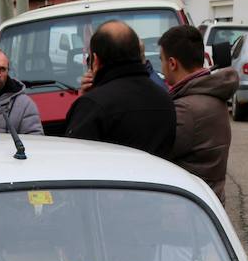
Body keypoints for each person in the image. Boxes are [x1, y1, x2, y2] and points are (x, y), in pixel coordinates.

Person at [63, 20, 175, 158]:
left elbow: (75, 158)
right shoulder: (165, 99)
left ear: (96, 60)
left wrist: (87, 99)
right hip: (160, 179)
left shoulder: (92, 106)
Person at [158, 25, 237, 202]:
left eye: (161, 60)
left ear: (172, 63)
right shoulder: (209, 92)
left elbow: (157, 155)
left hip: (188, 206)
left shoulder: (187, 109)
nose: (161, 68)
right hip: (206, 199)